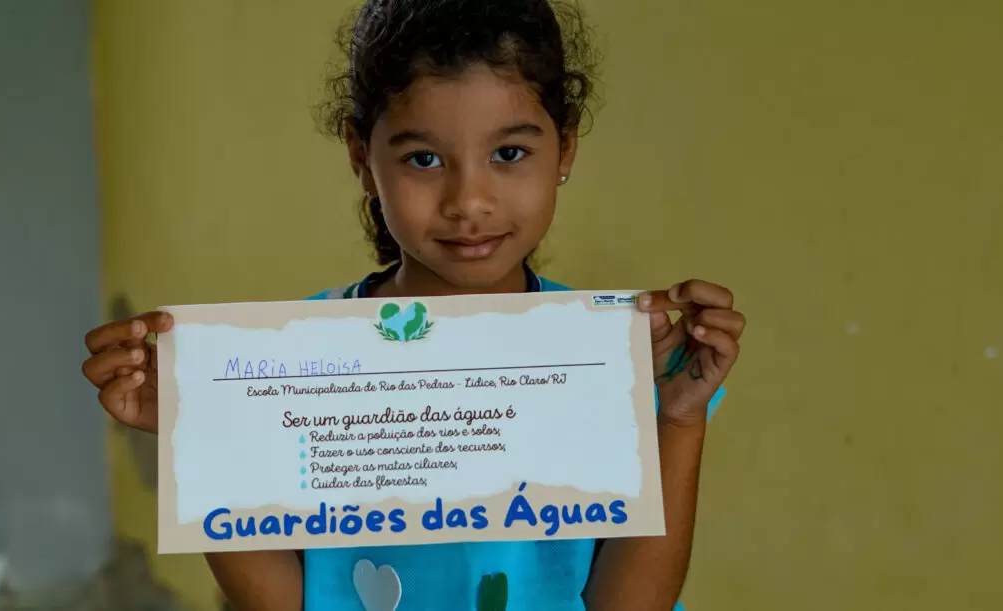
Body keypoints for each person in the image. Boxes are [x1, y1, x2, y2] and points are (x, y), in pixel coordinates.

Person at [80, 0, 746, 609]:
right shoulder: (285, 368)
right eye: (424, 159)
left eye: (509, 152)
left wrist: (678, 418)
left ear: (564, 148)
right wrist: (197, 433)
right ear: (361, 156)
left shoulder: (626, 361)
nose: (469, 201)